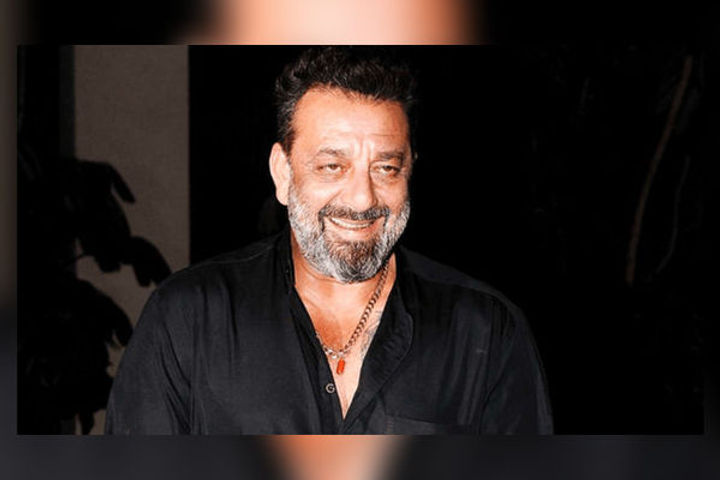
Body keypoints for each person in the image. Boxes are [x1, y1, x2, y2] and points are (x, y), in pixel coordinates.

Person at [105, 47, 552, 434]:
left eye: (386, 168)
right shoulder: (189, 317)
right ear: (283, 174)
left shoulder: (486, 329)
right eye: (332, 167)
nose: (362, 199)